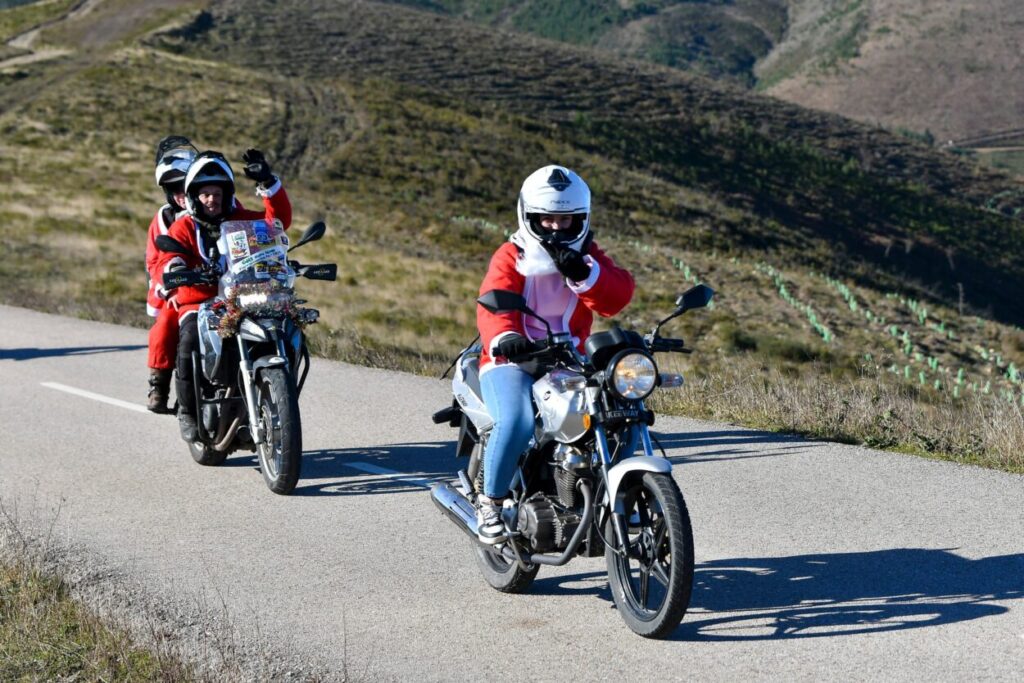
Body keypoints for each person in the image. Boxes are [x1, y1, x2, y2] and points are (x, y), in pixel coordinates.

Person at [474, 165, 635, 544]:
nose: (557, 228)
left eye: (566, 219)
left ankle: (608, 493)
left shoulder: (588, 255)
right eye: (547, 219)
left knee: (614, 414)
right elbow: (493, 303)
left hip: (568, 357)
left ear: (581, 218)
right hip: (511, 358)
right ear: (529, 216)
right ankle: (490, 503)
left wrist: (584, 274)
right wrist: (506, 337)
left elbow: (617, 297)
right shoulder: (511, 254)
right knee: (515, 422)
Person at [156, 148, 292, 441]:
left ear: (227, 193)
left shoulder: (243, 219)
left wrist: (268, 183)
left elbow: (278, 222)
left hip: (244, 298)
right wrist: (180, 269)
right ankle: (188, 411)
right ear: (194, 196)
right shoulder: (184, 227)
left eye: (217, 192)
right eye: (205, 193)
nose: (211, 199)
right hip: (200, 302)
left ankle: (277, 396)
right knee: (189, 338)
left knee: (285, 329)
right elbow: (169, 256)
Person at [145, 136, 198, 413]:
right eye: (172, 187)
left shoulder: (221, 205)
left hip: (223, 285)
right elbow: (155, 261)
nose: (180, 192)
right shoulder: (164, 219)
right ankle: (159, 385)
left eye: (184, 184)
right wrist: (172, 285)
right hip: (176, 289)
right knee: (165, 323)